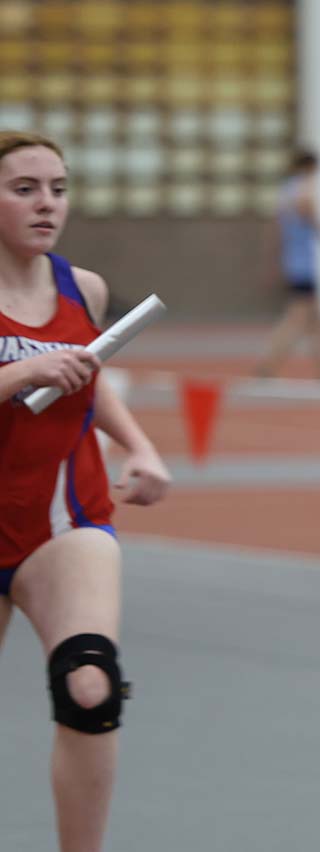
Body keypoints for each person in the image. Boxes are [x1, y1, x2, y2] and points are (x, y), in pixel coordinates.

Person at [0, 131, 170, 851]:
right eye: (25, 189)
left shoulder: (84, 289)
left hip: (59, 523)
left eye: (58, 189)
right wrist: (21, 373)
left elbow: (86, 379)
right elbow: (44, 373)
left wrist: (139, 445)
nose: (47, 204)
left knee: (89, 684)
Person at [255, 151, 320, 379]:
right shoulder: (304, 193)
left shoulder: (285, 192)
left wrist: (273, 260)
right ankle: (267, 364)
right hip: (304, 266)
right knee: (296, 319)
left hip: (296, 263)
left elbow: (276, 231)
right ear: (310, 168)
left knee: (315, 321)